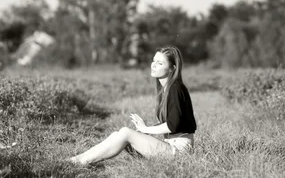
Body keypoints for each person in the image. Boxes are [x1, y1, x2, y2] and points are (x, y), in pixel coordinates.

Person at [69, 46, 197, 165]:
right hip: (169, 146)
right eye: (154, 61)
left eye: (160, 63)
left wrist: (146, 129)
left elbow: (173, 125)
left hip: (178, 152)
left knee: (125, 133)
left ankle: (78, 162)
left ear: (172, 68)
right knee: (117, 135)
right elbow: (174, 122)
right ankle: (77, 159)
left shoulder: (175, 88)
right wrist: (143, 131)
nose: (154, 65)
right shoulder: (167, 88)